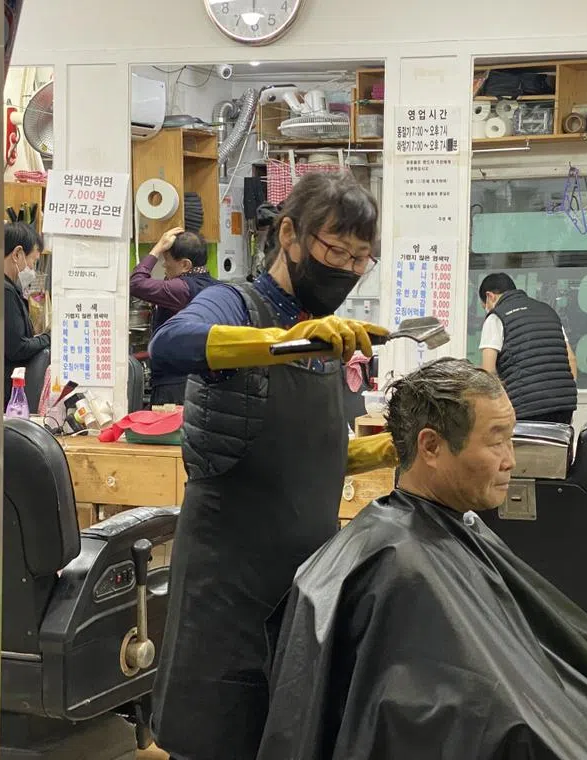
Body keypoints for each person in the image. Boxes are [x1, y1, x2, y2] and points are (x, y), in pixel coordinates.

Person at [256, 358, 587, 760]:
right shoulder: (392, 564)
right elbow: (473, 717)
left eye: (511, 439)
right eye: (495, 442)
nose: (511, 460)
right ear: (430, 447)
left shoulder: (451, 531)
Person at [147, 172, 399, 760]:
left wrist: (389, 451)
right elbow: (171, 343)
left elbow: (303, 456)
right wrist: (283, 343)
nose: (347, 268)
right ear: (289, 233)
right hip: (228, 584)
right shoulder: (236, 301)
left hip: (305, 581)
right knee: (219, 735)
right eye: (336, 250)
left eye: (361, 259)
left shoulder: (328, 335)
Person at [130, 227, 217, 404]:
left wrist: (157, 248)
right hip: (201, 382)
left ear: (185, 264)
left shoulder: (181, 289)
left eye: (167, 260)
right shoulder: (213, 285)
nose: (164, 264)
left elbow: (136, 283)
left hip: (174, 386)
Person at [478, 272, 579, 424]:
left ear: (490, 296)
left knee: (527, 448)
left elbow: (488, 372)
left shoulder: (496, 317)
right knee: (557, 447)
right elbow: (571, 358)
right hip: (564, 406)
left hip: (525, 408)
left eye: (484, 305)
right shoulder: (547, 311)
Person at [3, 222, 48, 406]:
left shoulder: (9, 289)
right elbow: (17, 348)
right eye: (33, 261)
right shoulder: (5, 292)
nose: (33, 268)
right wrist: (48, 338)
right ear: (17, 254)